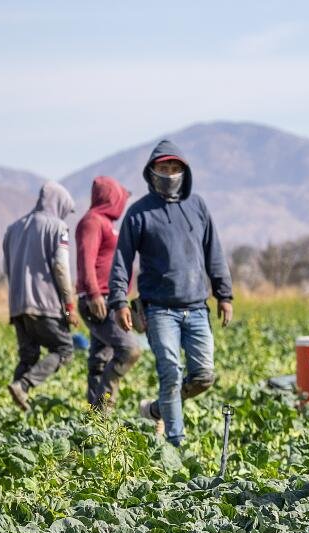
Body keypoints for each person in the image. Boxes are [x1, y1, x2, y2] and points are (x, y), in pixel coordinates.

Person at [109, 140, 233, 446]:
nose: (169, 173)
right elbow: (122, 259)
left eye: (174, 168)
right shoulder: (139, 213)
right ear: (152, 172)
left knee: (204, 375)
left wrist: (224, 294)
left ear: (184, 171)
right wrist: (119, 300)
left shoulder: (197, 206)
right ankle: (176, 443)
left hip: (197, 306)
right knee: (170, 372)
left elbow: (213, 251)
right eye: (163, 168)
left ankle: (155, 409)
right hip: (158, 309)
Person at [2, 181, 79, 410]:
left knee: (29, 356)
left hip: (18, 305)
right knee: (64, 350)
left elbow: (8, 269)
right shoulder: (58, 228)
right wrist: (69, 306)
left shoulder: (13, 229)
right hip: (45, 303)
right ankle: (24, 385)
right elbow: (61, 268)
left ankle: (14, 404)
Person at [76, 176, 141, 407]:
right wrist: (94, 293)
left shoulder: (105, 223)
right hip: (99, 300)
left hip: (107, 298)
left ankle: (94, 424)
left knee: (99, 359)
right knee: (129, 349)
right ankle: (102, 408)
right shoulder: (92, 221)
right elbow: (86, 259)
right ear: (112, 197)